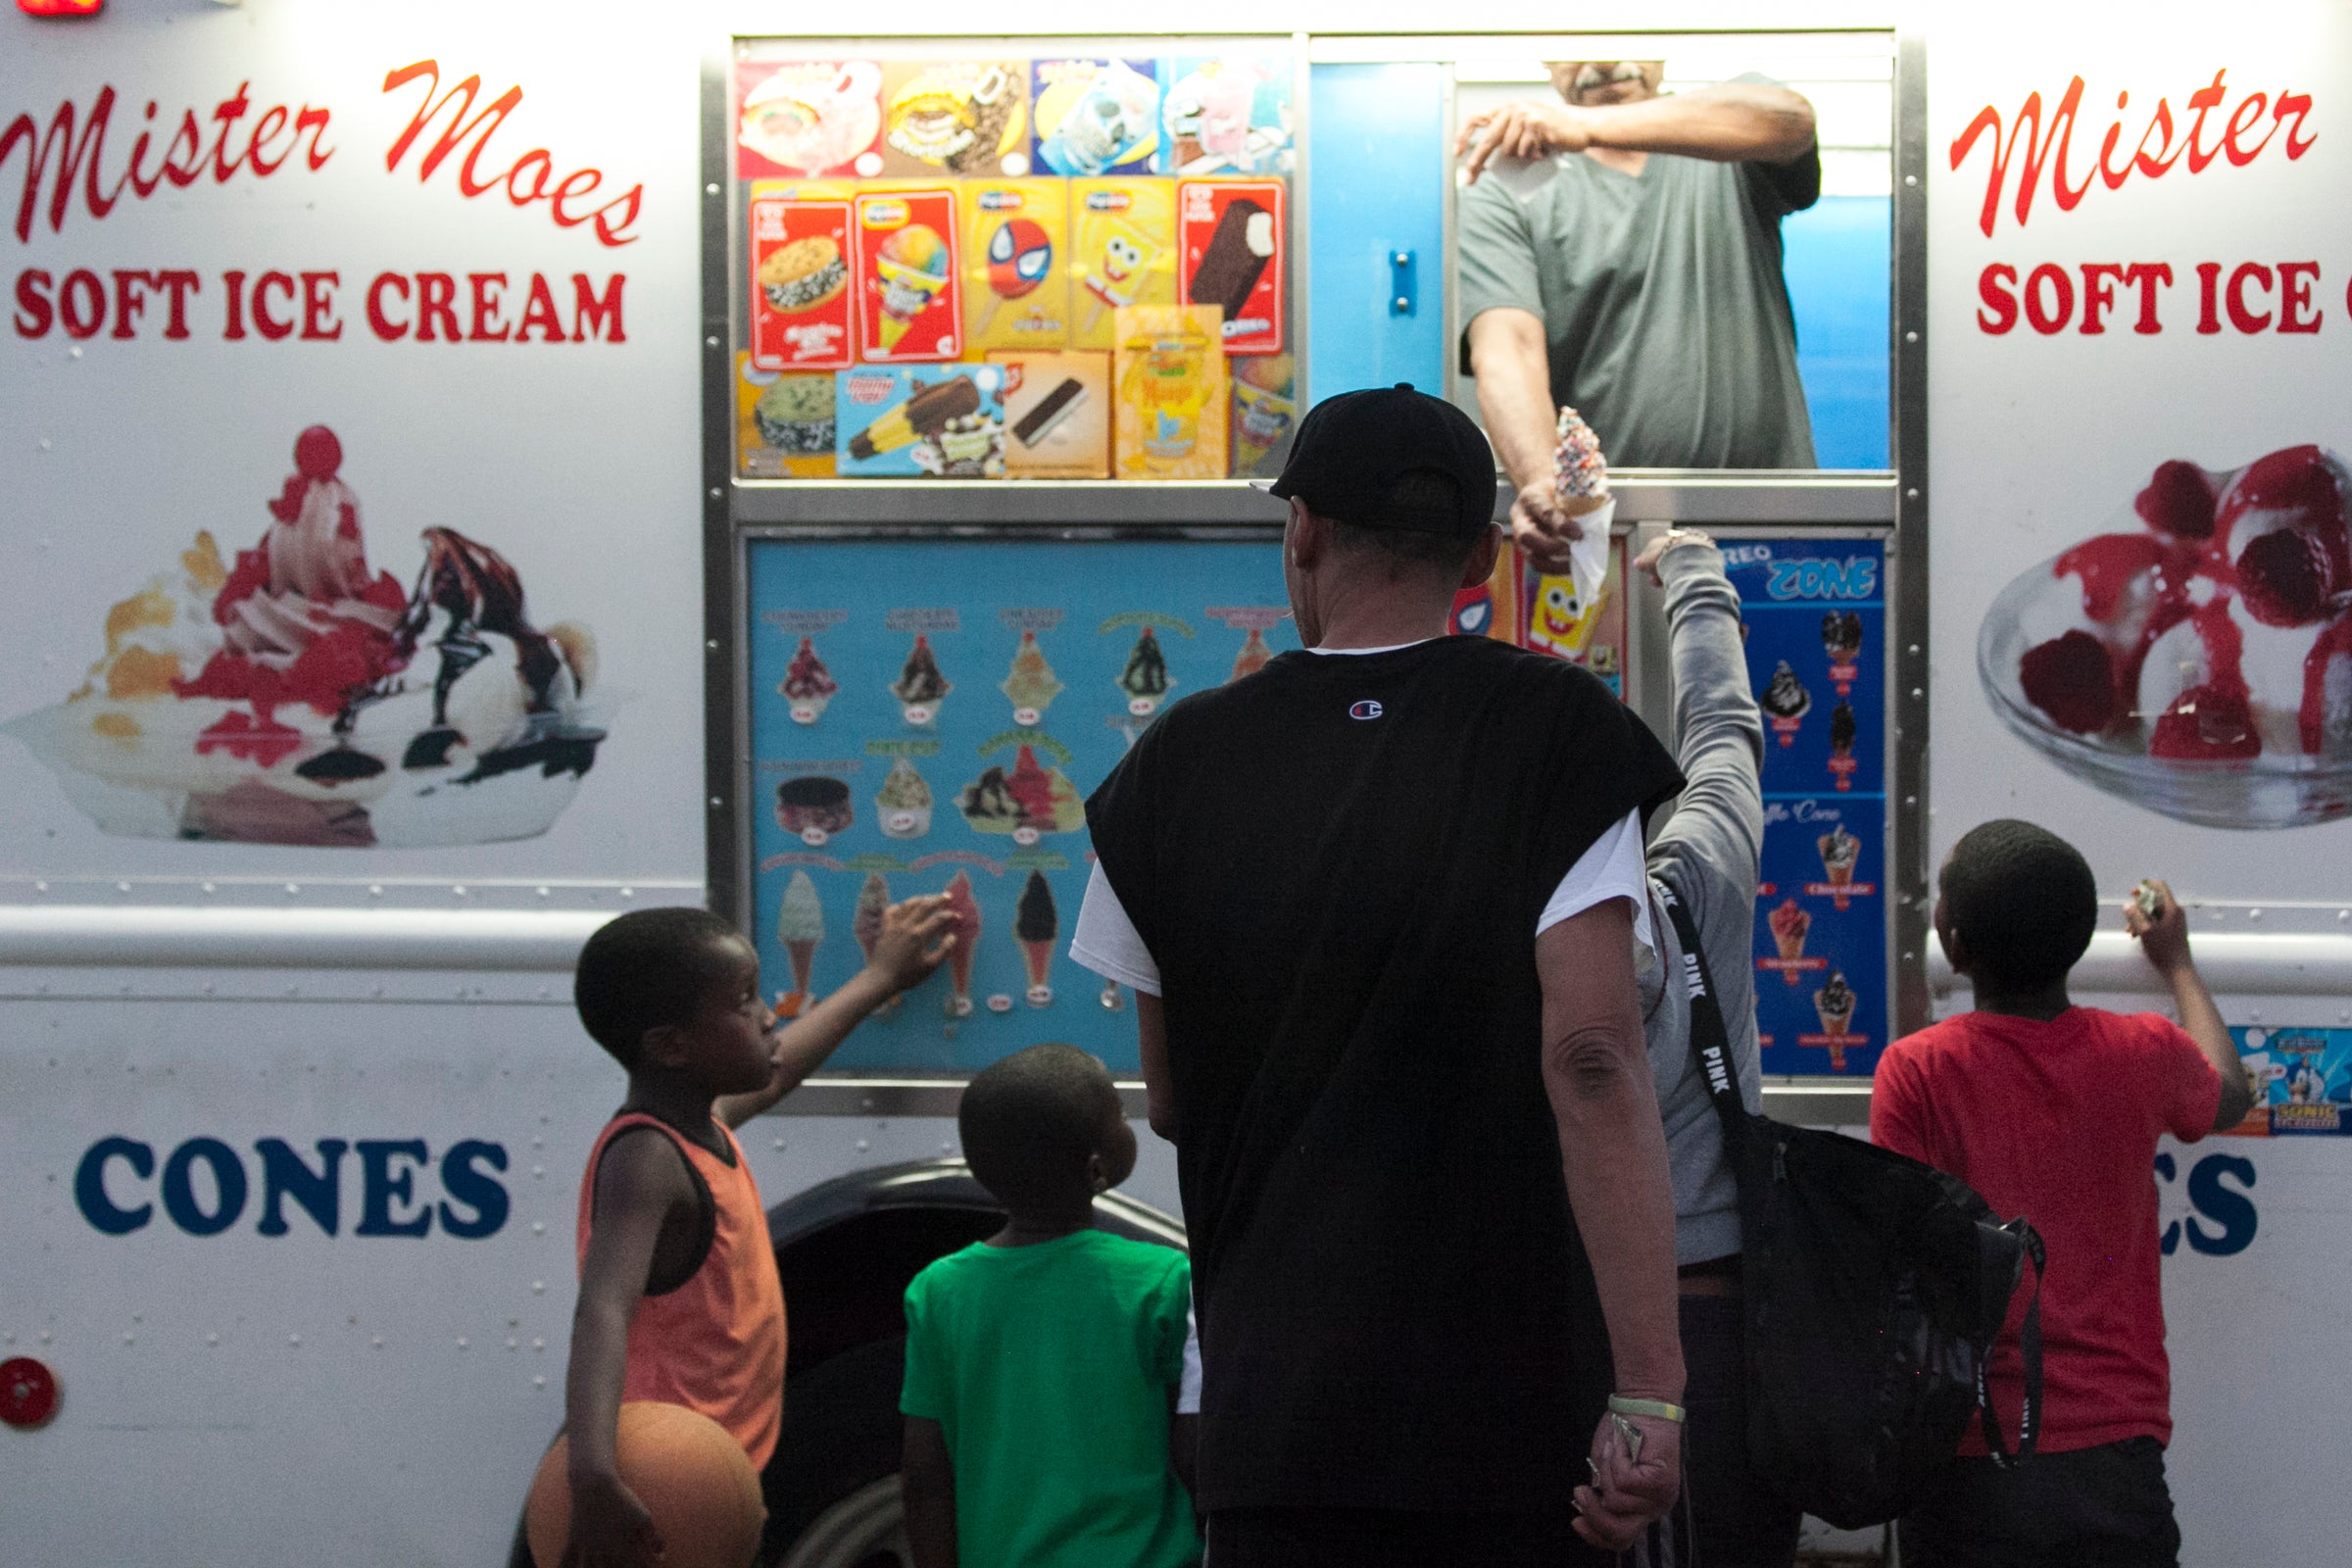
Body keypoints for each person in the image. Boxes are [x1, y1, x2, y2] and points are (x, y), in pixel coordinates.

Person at [1071, 384, 1690, 1566]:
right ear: (1476, 554)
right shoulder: (1554, 731)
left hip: (1279, 1429)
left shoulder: (1174, 767)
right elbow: (1595, 1061)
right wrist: (1650, 1395)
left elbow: (1171, 1102)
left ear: (1301, 530)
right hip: (1517, 1430)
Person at [1872, 825, 2255, 1568]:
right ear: (2079, 942)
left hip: (1966, 1449)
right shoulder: (2142, 1051)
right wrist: (2177, 964)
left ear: (1954, 946)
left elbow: (1899, 1257)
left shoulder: (1916, 1071)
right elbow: (2230, 1096)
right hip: (2117, 1454)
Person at [557, 898, 956, 1568]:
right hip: (664, 1481)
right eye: (743, 1002)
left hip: (722, 1465)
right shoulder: (646, 1158)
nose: (768, 1013)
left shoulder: (696, 1122)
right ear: (671, 1046)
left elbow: (778, 1069)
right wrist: (593, 1473)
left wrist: (880, 978)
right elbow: (602, 1308)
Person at [1623, 526, 1803, 1567]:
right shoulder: (1703, 878)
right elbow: (1727, 727)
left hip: (1587, 1328)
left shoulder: (1518, 935)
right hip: (1729, 1331)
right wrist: (1693, 571)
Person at [1456, 60, 1820, 569]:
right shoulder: (1503, 184)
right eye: (1574, 36)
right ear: (1545, 57)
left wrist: (1582, 128)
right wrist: (1545, 486)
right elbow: (1507, 348)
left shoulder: (1723, 126)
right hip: (1608, 536)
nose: (1602, 59)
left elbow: (1790, 121)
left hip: (1769, 525)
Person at [899, 1043, 1201, 1568]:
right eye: (1119, 1118)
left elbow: (926, 1474)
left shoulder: (938, 1292)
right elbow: (1193, 1453)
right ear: (1097, 1168)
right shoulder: (1162, 1281)